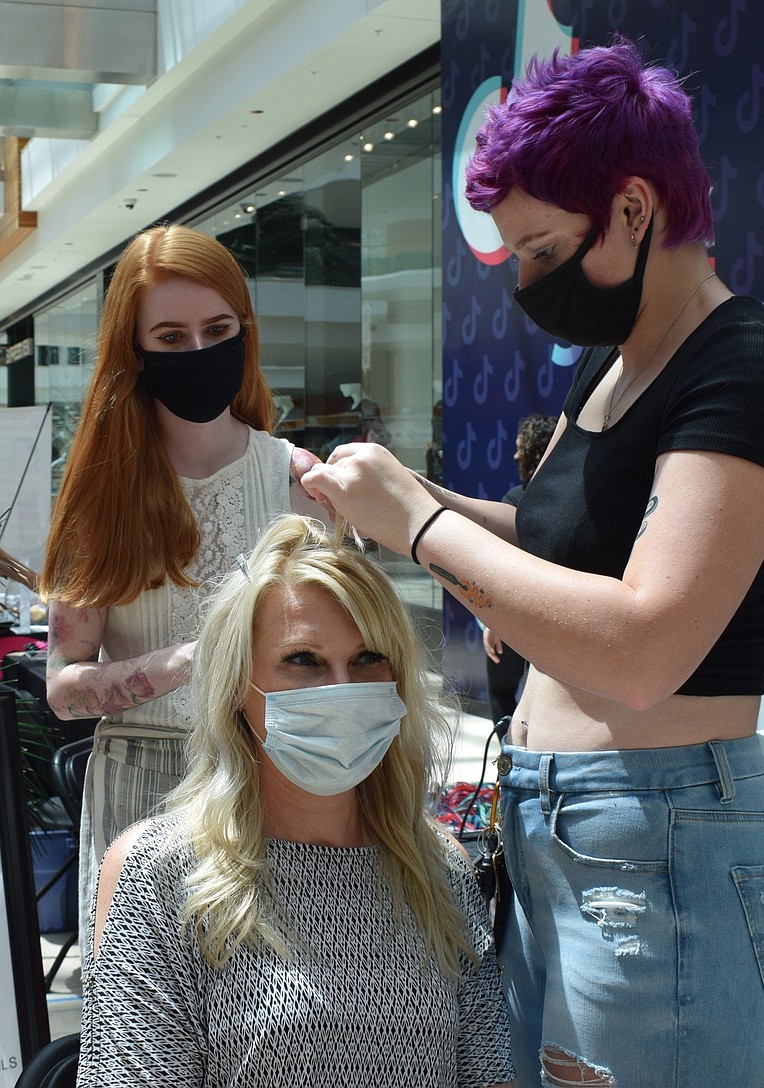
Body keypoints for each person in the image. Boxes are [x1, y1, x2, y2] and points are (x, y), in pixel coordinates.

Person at [299, 38, 764, 1088]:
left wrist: (418, 528)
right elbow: (558, 549)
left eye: (539, 249)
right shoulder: (614, 365)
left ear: (632, 210)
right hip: (567, 836)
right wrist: (406, 493)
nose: (526, 283)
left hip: (657, 852)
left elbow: (641, 644)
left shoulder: (741, 361)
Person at [76, 514, 514, 1088]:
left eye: (367, 660)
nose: (342, 688)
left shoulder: (440, 869)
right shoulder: (161, 874)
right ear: (237, 685)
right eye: (303, 660)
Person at [39, 223, 326, 946]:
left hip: (277, 785)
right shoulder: (103, 496)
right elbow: (64, 686)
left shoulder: (298, 484)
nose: (198, 351)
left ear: (244, 331)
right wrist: (194, 659)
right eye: (170, 337)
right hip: (139, 789)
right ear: (132, 352)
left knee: (274, 1038)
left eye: (217, 328)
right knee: (143, 1040)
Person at [481, 413, 556, 724]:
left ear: (534, 451)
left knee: (501, 690)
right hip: (555, 618)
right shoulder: (574, 498)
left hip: (518, 614)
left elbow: (499, 566)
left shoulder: (516, 500)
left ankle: (509, 765)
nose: (514, 455)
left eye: (520, 447)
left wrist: (494, 619)